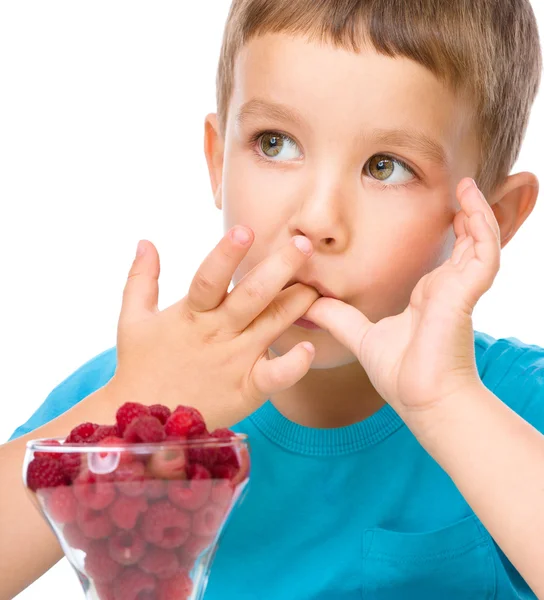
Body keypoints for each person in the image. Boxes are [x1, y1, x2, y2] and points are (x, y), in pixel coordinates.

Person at [1, 0, 544, 598]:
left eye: (386, 167)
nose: (316, 219)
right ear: (217, 160)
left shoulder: (514, 408)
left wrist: (446, 404)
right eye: (276, 143)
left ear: (488, 220)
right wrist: (130, 407)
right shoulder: (134, 394)